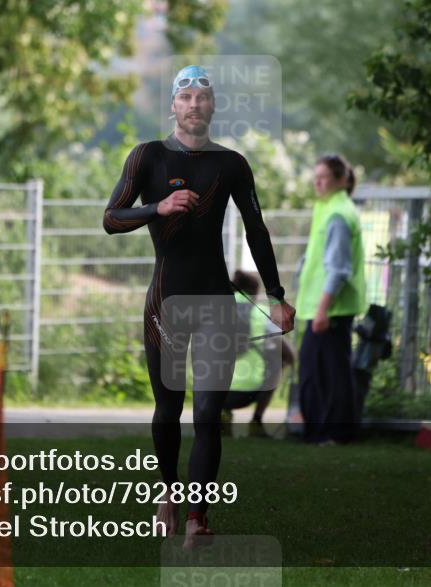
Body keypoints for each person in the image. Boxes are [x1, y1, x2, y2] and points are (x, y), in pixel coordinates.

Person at [102, 65, 296, 548]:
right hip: (164, 303)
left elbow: (256, 229)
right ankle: (168, 493)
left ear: (212, 106)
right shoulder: (146, 157)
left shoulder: (231, 164)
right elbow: (110, 218)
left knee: (207, 414)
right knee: (168, 409)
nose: (193, 104)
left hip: (215, 303)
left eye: (201, 96)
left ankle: (197, 518)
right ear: (173, 105)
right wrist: (158, 208)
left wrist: (276, 296)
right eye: (185, 96)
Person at [294, 154, 367, 445]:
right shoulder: (328, 208)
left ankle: (334, 433)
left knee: (328, 373)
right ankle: (321, 432)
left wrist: (323, 309)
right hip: (322, 307)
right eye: (316, 176)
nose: (317, 182)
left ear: (341, 180)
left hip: (330, 310)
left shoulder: (338, 213)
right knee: (319, 369)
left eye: (324, 176)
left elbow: (338, 269)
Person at [221, 270, 297, 439]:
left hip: (215, 392)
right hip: (251, 391)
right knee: (277, 362)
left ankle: (222, 417)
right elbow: (290, 354)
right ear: (254, 292)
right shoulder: (261, 314)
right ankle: (256, 422)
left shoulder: (216, 311)